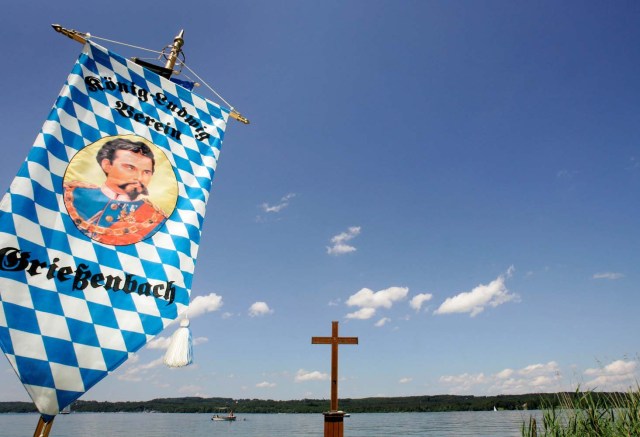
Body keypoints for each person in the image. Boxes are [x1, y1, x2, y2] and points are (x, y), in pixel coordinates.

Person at [63, 138, 169, 245]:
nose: (139, 177)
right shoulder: (70, 194)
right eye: (130, 167)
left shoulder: (157, 220)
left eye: (146, 172)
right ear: (107, 165)